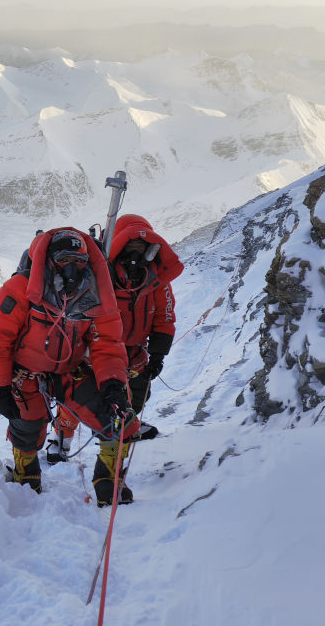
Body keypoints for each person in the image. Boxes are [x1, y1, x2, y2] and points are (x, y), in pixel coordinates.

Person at [0, 227, 139, 495]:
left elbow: (107, 344)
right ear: (49, 261)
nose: (72, 268)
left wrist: (112, 383)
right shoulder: (20, 290)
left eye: (79, 261)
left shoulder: (97, 297)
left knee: (118, 419)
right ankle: (26, 477)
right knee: (26, 426)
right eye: (64, 260)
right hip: (25, 374)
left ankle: (108, 480)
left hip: (69, 370)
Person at [48, 214, 184, 505]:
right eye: (129, 246)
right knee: (79, 405)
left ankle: (108, 475)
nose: (135, 255)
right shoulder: (99, 278)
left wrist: (158, 354)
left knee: (126, 413)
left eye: (142, 247)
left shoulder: (156, 281)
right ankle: (62, 439)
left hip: (134, 357)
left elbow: (164, 316)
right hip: (95, 355)